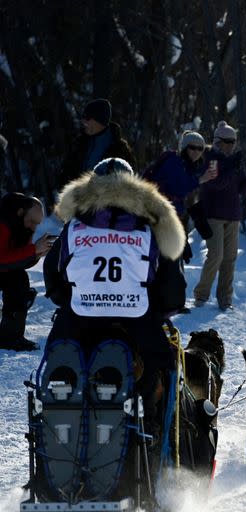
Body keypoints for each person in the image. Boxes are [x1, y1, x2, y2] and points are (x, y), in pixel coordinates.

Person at [43, 157, 186, 434]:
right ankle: (149, 426)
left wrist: (71, 299)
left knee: (58, 360)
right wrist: (159, 310)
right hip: (137, 319)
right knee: (162, 364)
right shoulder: (151, 226)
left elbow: (53, 274)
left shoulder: (73, 226)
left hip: (80, 317)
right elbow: (172, 290)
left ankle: (59, 428)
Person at [193, 121, 246, 310]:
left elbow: (241, 190)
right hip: (214, 215)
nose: (230, 145)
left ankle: (225, 300)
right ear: (217, 141)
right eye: (226, 141)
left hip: (233, 215)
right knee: (216, 256)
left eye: (233, 141)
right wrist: (232, 169)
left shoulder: (234, 160)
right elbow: (215, 184)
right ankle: (201, 295)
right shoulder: (210, 158)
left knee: (230, 258)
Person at [145, 130, 218, 264]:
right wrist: (201, 179)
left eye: (200, 148)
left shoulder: (188, 166)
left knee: (170, 267)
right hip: (158, 218)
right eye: (192, 147)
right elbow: (178, 188)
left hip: (169, 219)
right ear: (184, 148)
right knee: (164, 267)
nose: (196, 151)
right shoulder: (174, 161)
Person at [0, 193, 52, 351]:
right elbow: (2, 260)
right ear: (20, 212)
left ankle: (11, 337)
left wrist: (36, 254)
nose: (33, 227)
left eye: (37, 224)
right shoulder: (2, 224)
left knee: (19, 279)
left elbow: (16, 262)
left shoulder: (22, 226)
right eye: (32, 222)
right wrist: (32, 250)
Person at [58, 98, 136, 188]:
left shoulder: (120, 149)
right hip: (76, 199)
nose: (83, 122)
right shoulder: (79, 144)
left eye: (87, 118)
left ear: (99, 120)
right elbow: (66, 173)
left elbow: (128, 181)